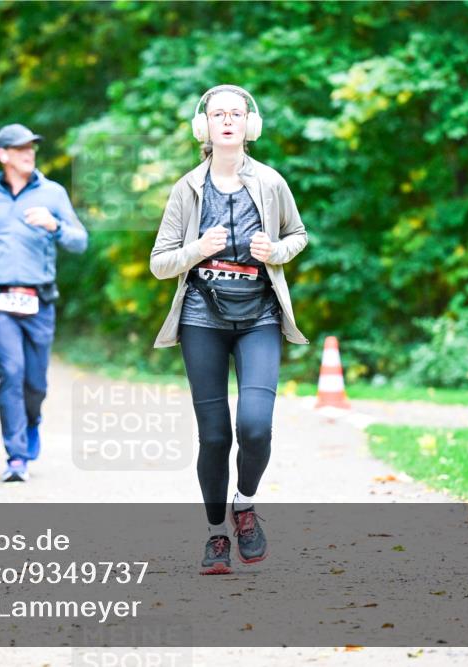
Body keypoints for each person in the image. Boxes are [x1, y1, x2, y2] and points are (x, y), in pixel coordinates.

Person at [149, 85, 310, 574]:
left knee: (255, 425)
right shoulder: (187, 189)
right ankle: (217, 534)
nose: (226, 121)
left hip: (259, 316)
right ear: (204, 127)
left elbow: (298, 236)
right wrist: (197, 249)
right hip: (203, 317)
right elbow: (160, 263)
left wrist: (275, 252)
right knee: (215, 436)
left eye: (235, 114)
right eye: (217, 114)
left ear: (248, 125)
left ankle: (245, 504)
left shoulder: (272, 183)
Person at [0, 123, 88, 482]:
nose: (29, 152)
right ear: (2, 155)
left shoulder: (52, 193)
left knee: (36, 383)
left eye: (32, 146)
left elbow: (80, 242)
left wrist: (55, 226)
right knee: (11, 373)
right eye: (20, 148)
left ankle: (32, 421)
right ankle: (16, 457)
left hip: (39, 300)